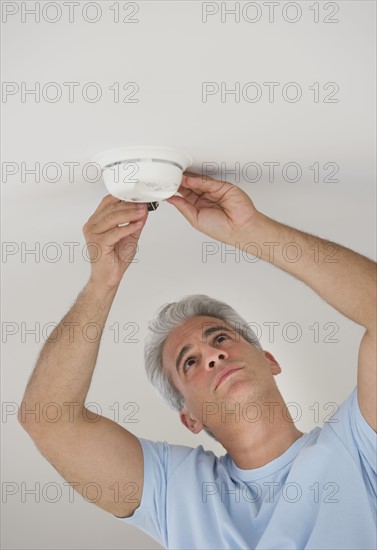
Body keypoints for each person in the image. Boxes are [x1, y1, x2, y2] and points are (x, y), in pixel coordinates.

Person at [18, 172, 376, 549]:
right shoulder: (176, 491)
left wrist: (250, 231)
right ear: (190, 418)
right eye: (189, 362)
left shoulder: (355, 449)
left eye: (220, 337)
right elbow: (49, 419)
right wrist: (101, 281)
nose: (214, 356)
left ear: (269, 360)